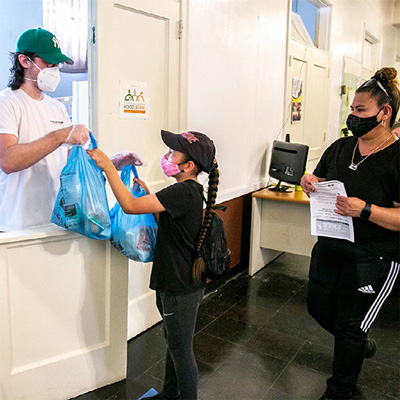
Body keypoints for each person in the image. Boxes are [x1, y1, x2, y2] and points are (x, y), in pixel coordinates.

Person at [88, 130, 219, 400]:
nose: (167, 157)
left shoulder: (183, 192)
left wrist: (109, 168)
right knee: (174, 343)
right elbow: (170, 227)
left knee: (182, 353)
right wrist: (150, 196)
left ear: (189, 166)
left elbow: (129, 205)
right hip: (176, 281)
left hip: (179, 286)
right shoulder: (188, 192)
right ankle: (169, 394)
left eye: (173, 154)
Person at [300, 67, 400, 400]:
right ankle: (359, 342)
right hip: (330, 244)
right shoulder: (341, 147)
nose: (353, 117)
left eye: (361, 111)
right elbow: (316, 179)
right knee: (317, 306)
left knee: (349, 325)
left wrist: (366, 210)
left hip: (374, 255)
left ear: (384, 113)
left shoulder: (397, 158)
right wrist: (308, 183)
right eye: (352, 110)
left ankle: (340, 390)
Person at [0, 27, 90, 231]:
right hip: (18, 227)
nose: (54, 69)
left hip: (56, 224)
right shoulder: (7, 103)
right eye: (48, 63)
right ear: (24, 61)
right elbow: (8, 160)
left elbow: (69, 163)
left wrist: (111, 164)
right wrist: (59, 136)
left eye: (56, 64)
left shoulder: (57, 108)